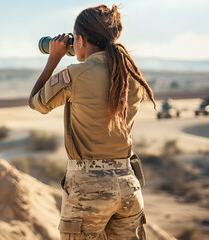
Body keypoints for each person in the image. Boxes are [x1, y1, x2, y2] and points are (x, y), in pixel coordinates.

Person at [29, 4, 156, 240]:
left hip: (88, 188)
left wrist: (54, 58)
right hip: (128, 184)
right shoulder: (131, 76)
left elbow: (36, 102)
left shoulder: (76, 74)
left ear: (83, 40)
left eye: (74, 37)